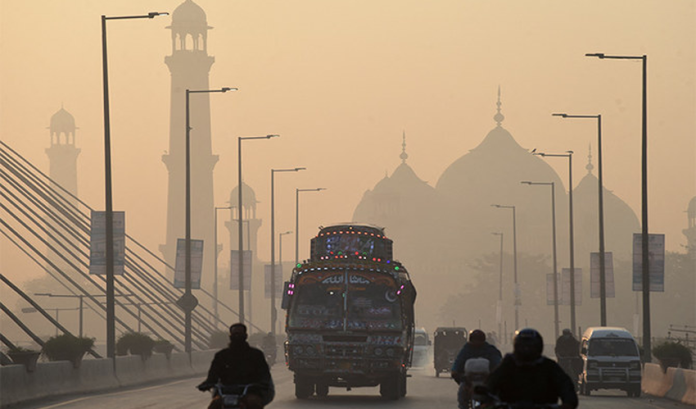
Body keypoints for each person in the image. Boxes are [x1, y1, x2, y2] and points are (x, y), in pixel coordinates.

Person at [486, 328, 578, 409]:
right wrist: (486, 399)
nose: (526, 350)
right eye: (523, 347)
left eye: (531, 347)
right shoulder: (508, 365)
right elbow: (490, 383)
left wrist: (568, 403)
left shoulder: (548, 366)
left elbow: (565, 385)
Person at [197, 323, 274, 409]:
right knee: (214, 405)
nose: (237, 336)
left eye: (239, 334)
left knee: (254, 403)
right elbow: (213, 374)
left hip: (250, 392)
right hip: (226, 393)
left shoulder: (256, 355)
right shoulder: (221, 356)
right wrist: (207, 384)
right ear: (230, 336)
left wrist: (262, 383)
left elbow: (264, 373)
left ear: (245, 335)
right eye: (235, 334)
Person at [451, 329, 502, 409]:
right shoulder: (466, 350)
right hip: (469, 382)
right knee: (462, 396)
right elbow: (456, 367)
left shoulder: (490, 350)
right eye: (475, 340)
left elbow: (498, 365)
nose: (476, 342)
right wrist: (460, 377)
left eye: (479, 340)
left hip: (487, 381)